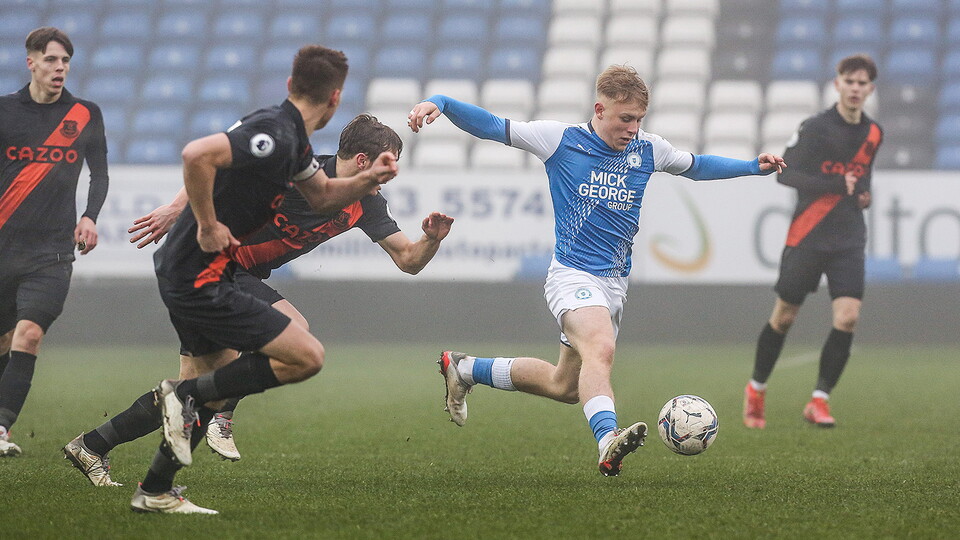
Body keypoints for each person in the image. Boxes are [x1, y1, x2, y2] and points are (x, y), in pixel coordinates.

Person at [407, 64, 786, 477]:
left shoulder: (648, 148)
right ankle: (607, 440)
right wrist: (440, 103)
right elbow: (494, 126)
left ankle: (464, 368)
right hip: (573, 275)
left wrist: (752, 166)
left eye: (639, 119)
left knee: (564, 386)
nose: (632, 128)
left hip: (614, 284)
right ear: (599, 109)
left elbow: (695, 165)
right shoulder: (560, 140)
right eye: (625, 119)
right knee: (601, 349)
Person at [63, 114, 452, 485]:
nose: (387, 178)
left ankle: (94, 446)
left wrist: (430, 240)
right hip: (215, 267)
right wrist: (176, 207)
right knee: (292, 335)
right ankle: (214, 425)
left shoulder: (365, 201)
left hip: (238, 276)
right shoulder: (300, 173)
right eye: (388, 164)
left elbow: (408, 261)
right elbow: (216, 167)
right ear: (363, 160)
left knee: (190, 392)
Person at [122, 45, 397, 514]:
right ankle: (178, 399)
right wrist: (205, 224)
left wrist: (367, 180)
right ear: (335, 99)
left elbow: (325, 196)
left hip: (201, 271)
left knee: (216, 375)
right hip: (200, 272)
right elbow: (197, 154)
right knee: (303, 354)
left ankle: (153, 488)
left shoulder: (295, 143)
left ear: (291, 85)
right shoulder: (274, 132)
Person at [743, 54, 882, 430]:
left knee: (848, 317)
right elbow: (785, 177)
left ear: (870, 89)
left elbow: (861, 180)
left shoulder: (873, 133)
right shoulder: (816, 127)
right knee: (784, 318)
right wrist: (836, 185)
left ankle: (819, 400)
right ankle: (756, 389)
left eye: (862, 83)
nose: (855, 88)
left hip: (849, 237)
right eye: (849, 81)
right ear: (837, 83)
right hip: (808, 234)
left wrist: (862, 195)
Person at [0, 27, 109, 457]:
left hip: (52, 252)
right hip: (4, 246)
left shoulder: (85, 113)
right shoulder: (6, 112)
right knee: (5, 339)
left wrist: (89, 216)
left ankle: (1, 429)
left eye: (65, 61)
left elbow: (99, 173)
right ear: (31, 62)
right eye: (51, 60)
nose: (59, 68)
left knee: (28, 335)